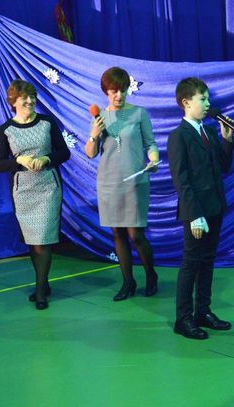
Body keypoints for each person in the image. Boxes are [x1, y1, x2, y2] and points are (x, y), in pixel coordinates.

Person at [167, 77, 234, 340]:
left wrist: (227, 141)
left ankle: (202, 311)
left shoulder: (209, 132)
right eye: (202, 99)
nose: (208, 104)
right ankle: (183, 318)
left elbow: (223, 167)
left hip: (215, 206)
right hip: (195, 210)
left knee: (207, 261)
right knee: (191, 263)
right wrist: (194, 215)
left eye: (208, 99)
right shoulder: (178, 137)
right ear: (186, 102)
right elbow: (181, 180)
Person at [85, 67, 159, 301]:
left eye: (123, 90)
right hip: (108, 182)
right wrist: (94, 133)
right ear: (106, 91)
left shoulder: (139, 113)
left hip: (135, 180)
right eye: (114, 91)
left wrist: (153, 159)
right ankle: (128, 282)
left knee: (136, 234)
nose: (119, 95)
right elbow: (90, 153)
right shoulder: (99, 117)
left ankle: (151, 275)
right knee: (117, 233)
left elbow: (151, 144)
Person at [0, 79, 70, 310]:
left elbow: (64, 152)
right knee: (32, 241)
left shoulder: (47, 122)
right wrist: (19, 160)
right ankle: (43, 284)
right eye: (24, 97)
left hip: (48, 187)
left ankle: (39, 292)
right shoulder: (5, 129)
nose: (30, 101)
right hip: (22, 191)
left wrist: (47, 158)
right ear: (13, 101)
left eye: (33, 96)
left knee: (42, 240)